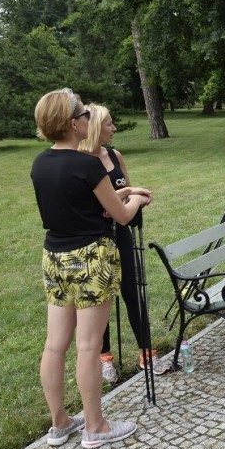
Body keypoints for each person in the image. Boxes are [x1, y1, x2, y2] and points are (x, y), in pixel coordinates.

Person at [31, 89, 152, 449]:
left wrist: (124, 190)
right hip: (91, 258)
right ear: (72, 124)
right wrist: (137, 198)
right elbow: (121, 216)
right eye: (84, 114)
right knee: (87, 345)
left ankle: (60, 424)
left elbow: (79, 201)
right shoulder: (87, 165)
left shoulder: (40, 163)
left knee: (55, 345)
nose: (89, 118)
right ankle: (95, 427)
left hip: (54, 256)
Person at [79, 104, 171, 382]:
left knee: (133, 292)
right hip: (95, 240)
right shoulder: (81, 160)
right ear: (95, 126)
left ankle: (147, 353)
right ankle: (104, 357)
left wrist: (137, 198)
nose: (113, 128)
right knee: (101, 298)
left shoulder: (114, 155)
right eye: (109, 123)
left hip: (122, 233)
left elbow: (126, 192)